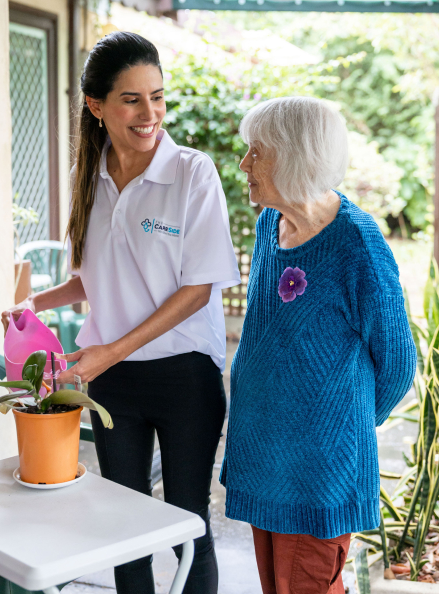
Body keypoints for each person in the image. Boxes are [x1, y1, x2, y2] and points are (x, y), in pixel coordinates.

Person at [2, 32, 240, 594]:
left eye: (157, 97)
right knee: (125, 525)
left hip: (185, 375)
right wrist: (33, 304)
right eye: (131, 98)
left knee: (187, 523)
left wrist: (108, 351)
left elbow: (197, 291)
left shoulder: (192, 173)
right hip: (111, 381)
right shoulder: (91, 175)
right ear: (97, 105)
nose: (149, 112)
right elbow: (91, 279)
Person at [220, 96, 417, 594]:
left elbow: (397, 365)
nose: (244, 164)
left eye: (255, 152)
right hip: (263, 454)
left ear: (290, 156)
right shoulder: (270, 224)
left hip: (317, 469)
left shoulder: (358, 243)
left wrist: (336, 428)